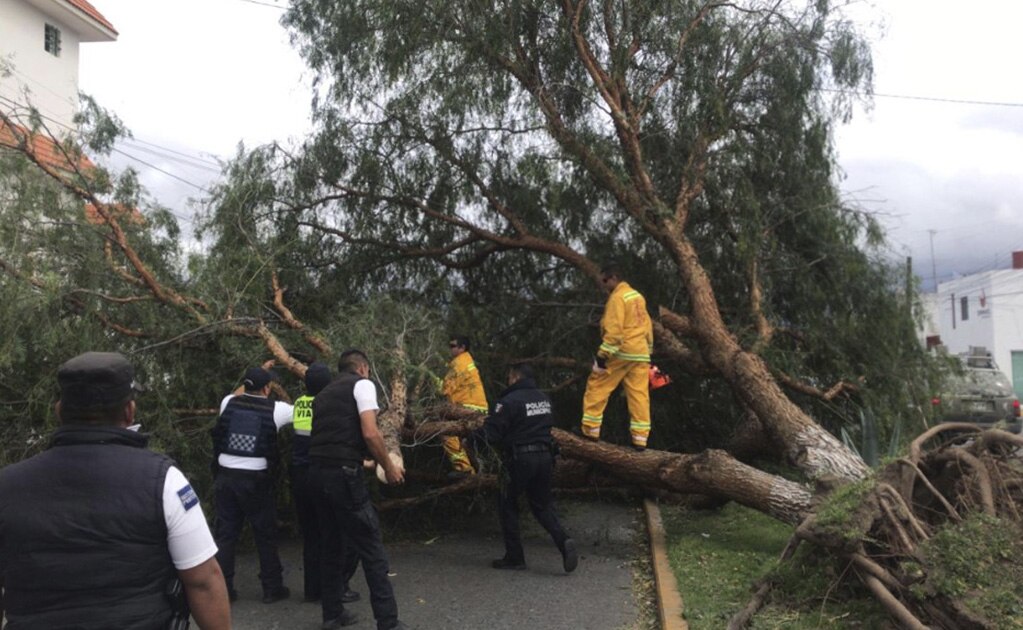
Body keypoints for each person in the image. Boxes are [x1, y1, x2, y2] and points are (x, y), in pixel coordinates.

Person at [0, 351, 230, 629]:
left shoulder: (7, 485)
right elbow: (203, 580)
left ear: (59, 410)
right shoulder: (165, 481)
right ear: (129, 410)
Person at [309, 349, 408, 630]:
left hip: (316, 474)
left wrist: (365, 462)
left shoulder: (324, 394)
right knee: (371, 545)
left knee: (330, 545)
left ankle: (332, 614)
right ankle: (388, 622)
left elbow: (336, 442)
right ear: (363, 368)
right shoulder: (362, 384)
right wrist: (388, 465)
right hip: (342, 476)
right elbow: (369, 432)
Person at [470, 362, 577, 573]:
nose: (508, 381)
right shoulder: (544, 399)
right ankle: (564, 541)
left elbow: (493, 433)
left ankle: (515, 557)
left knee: (507, 503)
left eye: (509, 377)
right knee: (542, 506)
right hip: (545, 458)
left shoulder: (509, 401)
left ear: (515, 377)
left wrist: (472, 438)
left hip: (520, 459)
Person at [210, 361, 293, 603]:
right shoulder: (276, 410)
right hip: (256, 481)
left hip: (225, 478)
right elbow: (304, 410)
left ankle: (224, 589)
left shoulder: (228, 403)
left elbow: (238, 394)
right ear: (268, 389)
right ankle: (272, 588)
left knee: (226, 535)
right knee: (264, 534)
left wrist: (255, 373)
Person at [290, 362, 361, 605]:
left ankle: (312, 589)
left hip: (299, 476)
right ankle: (337, 588)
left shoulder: (299, 404)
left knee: (311, 536)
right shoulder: (328, 404)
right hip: (322, 471)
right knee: (335, 534)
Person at [580, 264, 654, 450]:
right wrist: (648, 350)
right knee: (639, 396)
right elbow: (647, 326)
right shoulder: (637, 297)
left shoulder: (617, 298)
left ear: (614, 278)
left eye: (605, 280)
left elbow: (614, 330)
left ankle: (590, 430)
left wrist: (602, 356)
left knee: (598, 385)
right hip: (640, 353)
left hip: (621, 350)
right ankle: (640, 439)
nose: (603, 285)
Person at [441, 334, 488, 476]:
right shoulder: (466, 361)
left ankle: (464, 470)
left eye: (453, 346)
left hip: (467, 408)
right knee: (464, 441)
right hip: (476, 408)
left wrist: (431, 378)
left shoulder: (459, 363)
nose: (450, 349)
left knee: (446, 434)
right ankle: (476, 470)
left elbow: (445, 389)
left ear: (462, 348)